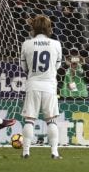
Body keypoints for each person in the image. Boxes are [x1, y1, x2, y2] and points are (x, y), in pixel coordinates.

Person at [20, 15, 63, 159]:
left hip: (33, 84)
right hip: (49, 85)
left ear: (34, 27)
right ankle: (54, 152)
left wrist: (33, 73)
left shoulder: (26, 44)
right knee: (51, 120)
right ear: (49, 28)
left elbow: (24, 67)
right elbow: (57, 66)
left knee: (30, 119)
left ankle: (26, 152)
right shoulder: (56, 44)